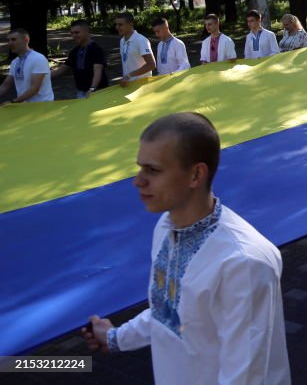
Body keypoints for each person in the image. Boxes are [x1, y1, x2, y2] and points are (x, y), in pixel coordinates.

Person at [82, 113, 290, 384]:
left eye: (153, 170)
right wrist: (117, 338)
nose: (138, 180)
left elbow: (246, 377)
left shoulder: (245, 262)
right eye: (140, 167)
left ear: (195, 174)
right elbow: (170, 310)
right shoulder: (166, 228)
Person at [50, 20, 108, 98]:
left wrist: (92, 89)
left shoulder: (96, 50)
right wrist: (42, 76)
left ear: (87, 31)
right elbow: (61, 70)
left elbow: (97, 72)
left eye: (77, 32)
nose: (74, 35)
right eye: (72, 33)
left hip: (98, 92)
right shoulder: (75, 51)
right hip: (81, 92)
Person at [0, 28, 54, 103]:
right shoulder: (15, 62)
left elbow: (34, 88)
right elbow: (6, 84)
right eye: (8, 40)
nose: (10, 43)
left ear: (26, 40)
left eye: (13, 39)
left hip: (42, 106)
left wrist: (13, 102)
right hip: (25, 106)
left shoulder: (38, 58)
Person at [115, 12, 156, 82]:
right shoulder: (122, 41)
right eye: (116, 24)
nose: (117, 27)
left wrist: (129, 76)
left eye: (120, 25)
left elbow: (151, 65)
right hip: (128, 85)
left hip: (142, 86)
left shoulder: (141, 40)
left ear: (130, 24)